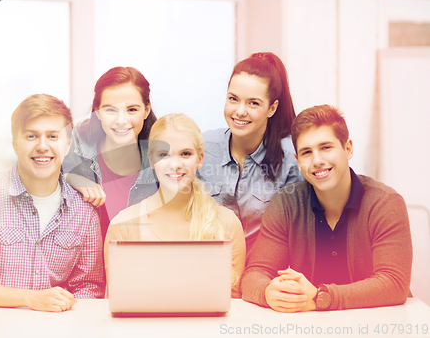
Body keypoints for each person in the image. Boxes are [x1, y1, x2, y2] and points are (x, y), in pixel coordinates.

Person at [241, 104, 412, 312]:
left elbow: (394, 284)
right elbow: (254, 274)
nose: (317, 161)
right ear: (297, 160)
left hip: (376, 325)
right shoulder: (285, 204)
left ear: (348, 148)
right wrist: (268, 292)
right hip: (309, 328)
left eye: (326, 147)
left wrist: (321, 298)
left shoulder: (385, 203)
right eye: (306, 152)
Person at [0, 94, 105, 312]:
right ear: (15, 144)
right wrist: (30, 299)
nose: (42, 146)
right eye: (31, 136)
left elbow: (89, 288)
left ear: (67, 145)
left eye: (53, 136)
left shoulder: (85, 212)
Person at [104, 113, 246, 297]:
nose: (175, 164)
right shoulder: (122, 225)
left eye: (185, 154)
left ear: (200, 159)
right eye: (164, 155)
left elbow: (232, 301)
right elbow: (117, 300)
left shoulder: (227, 224)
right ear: (152, 160)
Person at [199, 52, 303, 254]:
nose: (239, 111)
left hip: (266, 272)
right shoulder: (203, 147)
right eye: (233, 99)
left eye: (253, 103)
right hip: (208, 268)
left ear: (272, 108)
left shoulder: (292, 158)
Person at [62, 67, 157, 239]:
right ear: (97, 110)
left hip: (140, 262)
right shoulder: (74, 144)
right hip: (87, 263)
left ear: (147, 110)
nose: (121, 121)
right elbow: (39, 177)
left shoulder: (163, 158)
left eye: (132, 110)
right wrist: (72, 176)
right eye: (110, 110)